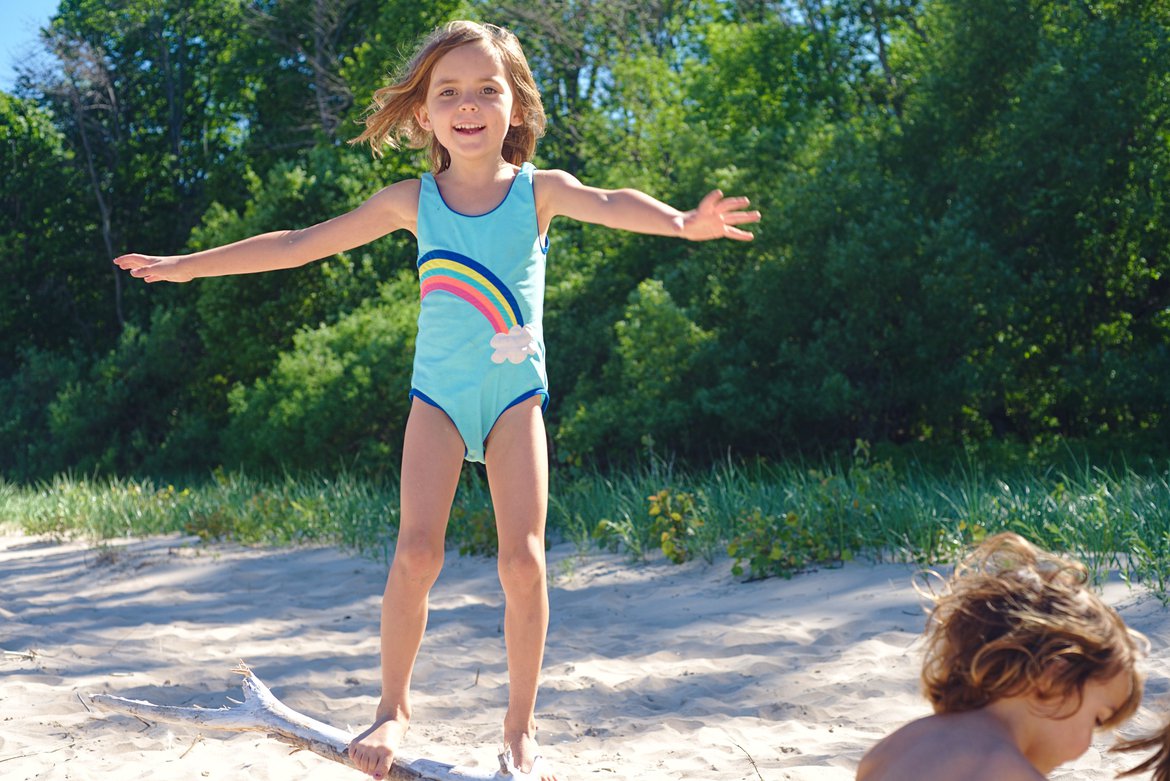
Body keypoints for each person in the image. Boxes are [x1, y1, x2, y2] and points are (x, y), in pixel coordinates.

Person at [114, 19, 760, 781]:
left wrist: (684, 223)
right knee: (417, 551)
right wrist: (188, 266)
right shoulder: (411, 202)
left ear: (515, 106)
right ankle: (393, 706)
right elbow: (295, 242)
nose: (469, 104)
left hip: (516, 398)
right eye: (448, 91)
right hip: (440, 400)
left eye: (488, 90)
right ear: (423, 113)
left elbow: (613, 197)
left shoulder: (539, 193)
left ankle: (520, 731)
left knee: (524, 562)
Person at [855, 532, 1145, 781]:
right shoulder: (1007, 771)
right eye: (1096, 719)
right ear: (1054, 676)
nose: (1084, 749)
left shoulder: (893, 748)